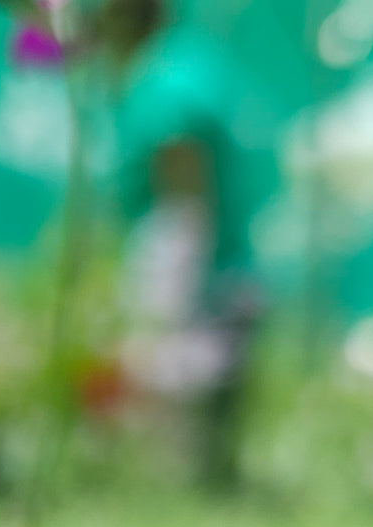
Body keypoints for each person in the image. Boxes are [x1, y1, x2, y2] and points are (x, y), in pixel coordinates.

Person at [100, 0, 265, 491]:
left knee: (173, 400)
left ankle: (176, 491)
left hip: (196, 267)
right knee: (211, 415)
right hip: (229, 260)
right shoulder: (191, 61)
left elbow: (183, 192)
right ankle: (207, 488)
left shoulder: (162, 78)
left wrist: (167, 286)